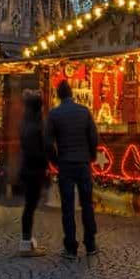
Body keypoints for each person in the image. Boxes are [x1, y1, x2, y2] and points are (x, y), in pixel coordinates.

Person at [45, 80, 99, 259]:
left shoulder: (54, 114)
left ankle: (70, 246)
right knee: (87, 204)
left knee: (67, 206)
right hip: (83, 163)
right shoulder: (84, 112)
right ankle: (90, 243)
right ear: (72, 93)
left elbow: (47, 142)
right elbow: (93, 136)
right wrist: (90, 156)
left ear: (58, 95)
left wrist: (56, 161)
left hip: (66, 164)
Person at [18, 90, 49, 257]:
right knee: (30, 206)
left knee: (29, 206)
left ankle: (27, 241)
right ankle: (25, 243)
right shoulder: (37, 125)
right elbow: (39, 150)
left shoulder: (25, 123)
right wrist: (46, 162)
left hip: (27, 168)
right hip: (34, 169)